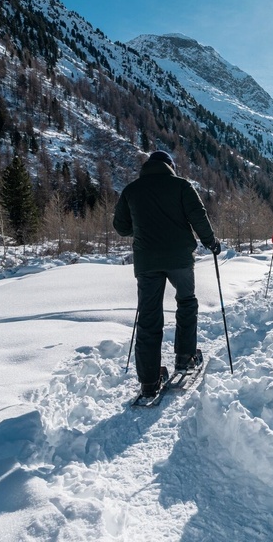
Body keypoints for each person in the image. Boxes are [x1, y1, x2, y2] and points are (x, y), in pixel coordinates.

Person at [113, 150, 221, 397]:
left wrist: (142, 225)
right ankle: (185, 357)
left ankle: (149, 381)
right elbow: (198, 217)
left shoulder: (132, 190)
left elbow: (121, 227)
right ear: (171, 166)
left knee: (149, 316)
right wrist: (211, 242)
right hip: (180, 259)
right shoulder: (182, 186)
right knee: (186, 303)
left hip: (147, 261)